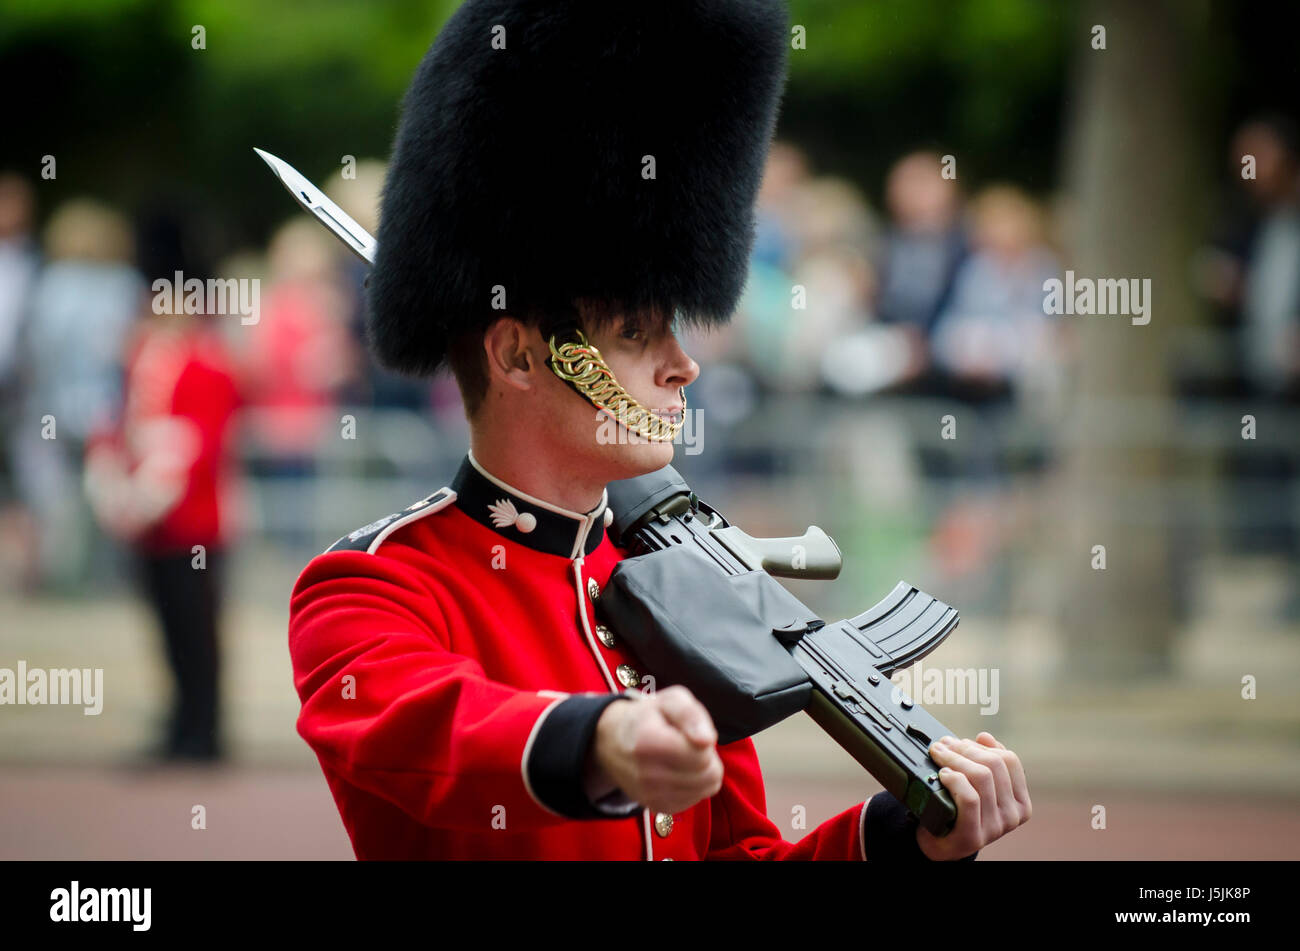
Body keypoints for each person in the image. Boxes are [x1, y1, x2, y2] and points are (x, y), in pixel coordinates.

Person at [288, 0, 1030, 861]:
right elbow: (432, 729)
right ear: (520, 356)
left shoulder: (670, 585)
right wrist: (601, 739)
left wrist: (898, 840)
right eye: (637, 334)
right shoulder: (372, 585)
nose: (685, 365)